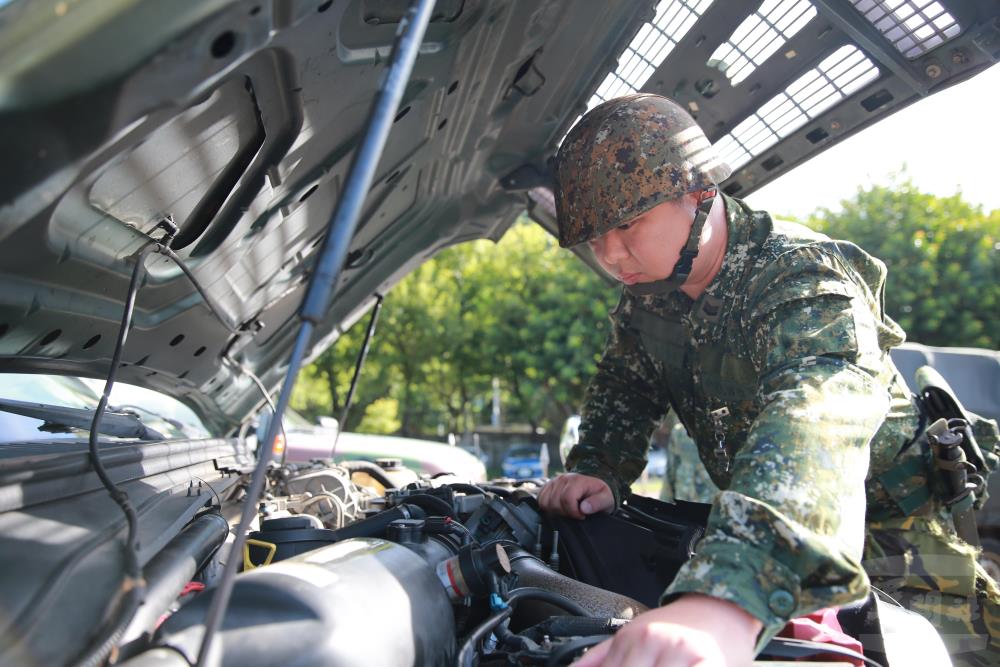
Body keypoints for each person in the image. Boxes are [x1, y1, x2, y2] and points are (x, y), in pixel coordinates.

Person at [537, 93, 1000, 667]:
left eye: (628, 224)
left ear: (700, 193)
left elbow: (814, 423)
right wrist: (598, 469)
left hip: (900, 548)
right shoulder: (649, 301)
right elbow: (626, 387)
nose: (609, 253)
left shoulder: (804, 277)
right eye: (595, 236)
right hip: (770, 528)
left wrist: (729, 599)